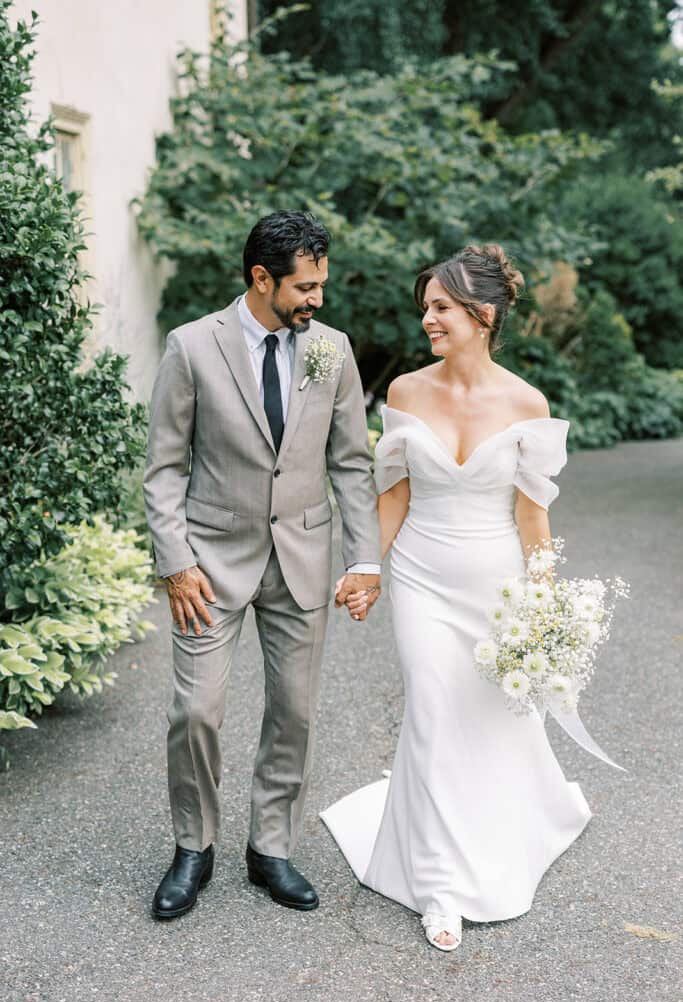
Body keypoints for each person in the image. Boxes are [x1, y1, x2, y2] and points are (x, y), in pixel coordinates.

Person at [321, 244, 592, 951]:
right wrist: (365, 568)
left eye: (440, 307)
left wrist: (544, 608)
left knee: (487, 719)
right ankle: (439, 884)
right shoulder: (408, 393)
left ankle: (508, 819)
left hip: (495, 583)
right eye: (425, 309)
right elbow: (394, 496)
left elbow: (533, 519)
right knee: (433, 710)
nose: (428, 320)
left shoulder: (526, 404)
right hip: (421, 577)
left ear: (484, 313)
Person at [144, 210, 381, 920]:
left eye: (320, 285)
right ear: (260, 278)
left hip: (302, 555)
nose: (316, 300)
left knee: (294, 712)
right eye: (304, 287)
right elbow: (162, 469)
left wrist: (363, 559)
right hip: (209, 564)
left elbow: (350, 463)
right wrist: (176, 561)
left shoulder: (330, 350)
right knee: (196, 710)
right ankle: (194, 847)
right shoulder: (191, 347)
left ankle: (270, 849)